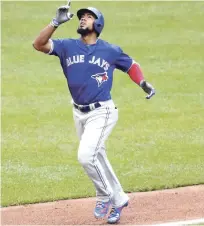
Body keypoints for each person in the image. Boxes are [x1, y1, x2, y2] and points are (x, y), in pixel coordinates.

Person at [33, 1, 155, 224]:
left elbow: (131, 65)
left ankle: (104, 195)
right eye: (82, 16)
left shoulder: (109, 50)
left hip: (102, 112)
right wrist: (54, 23)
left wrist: (143, 82)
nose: (82, 18)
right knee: (98, 157)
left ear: (97, 24)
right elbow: (38, 44)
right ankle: (119, 200)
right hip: (79, 112)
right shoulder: (67, 46)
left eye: (88, 16)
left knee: (86, 156)